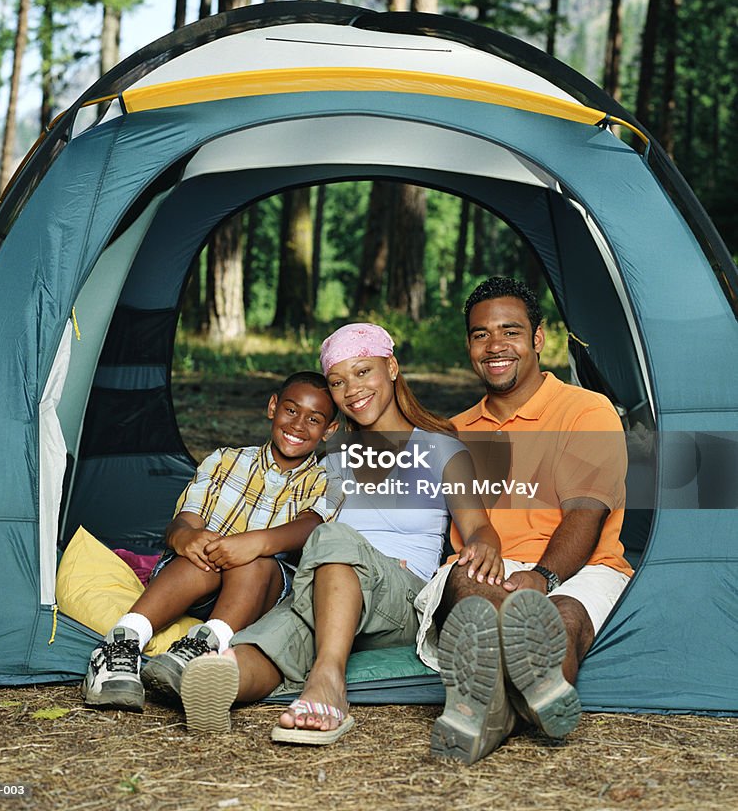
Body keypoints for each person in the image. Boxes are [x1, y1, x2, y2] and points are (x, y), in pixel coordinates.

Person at [175, 322, 504, 739]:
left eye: (363, 372)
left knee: (332, 537)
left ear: (392, 368)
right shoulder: (331, 455)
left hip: (400, 600)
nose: (352, 389)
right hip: (328, 592)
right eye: (338, 381)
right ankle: (215, 680)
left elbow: (479, 528)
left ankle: (328, 681)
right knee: (271, 637)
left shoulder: (440, 449)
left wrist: (484, 547)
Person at [414, 276, 633, 765]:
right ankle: (518, 704)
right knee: (470, 586)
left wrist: (542, 576)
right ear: (468, 344)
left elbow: (586, 513)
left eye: (510, 331)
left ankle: (487, 711)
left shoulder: (587, 410)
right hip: (488, 568)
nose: (495, 346)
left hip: (583, 567)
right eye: (480, 334)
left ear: (537, 338)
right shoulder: (456, 433)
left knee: (564, 617)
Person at [81, 371, 340, 714]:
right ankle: (121, 644)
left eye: (315, 419)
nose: (298, 425)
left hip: (256, 594)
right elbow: (185, 520)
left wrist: (254, 543)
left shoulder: (327, 480)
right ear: (272, 407)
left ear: (330, 430)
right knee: (200, 555)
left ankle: (201, 648)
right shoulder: (225, 460)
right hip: (195, 579)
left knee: (257, 562)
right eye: (291, 411)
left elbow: (312, 526)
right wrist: (186, 537)